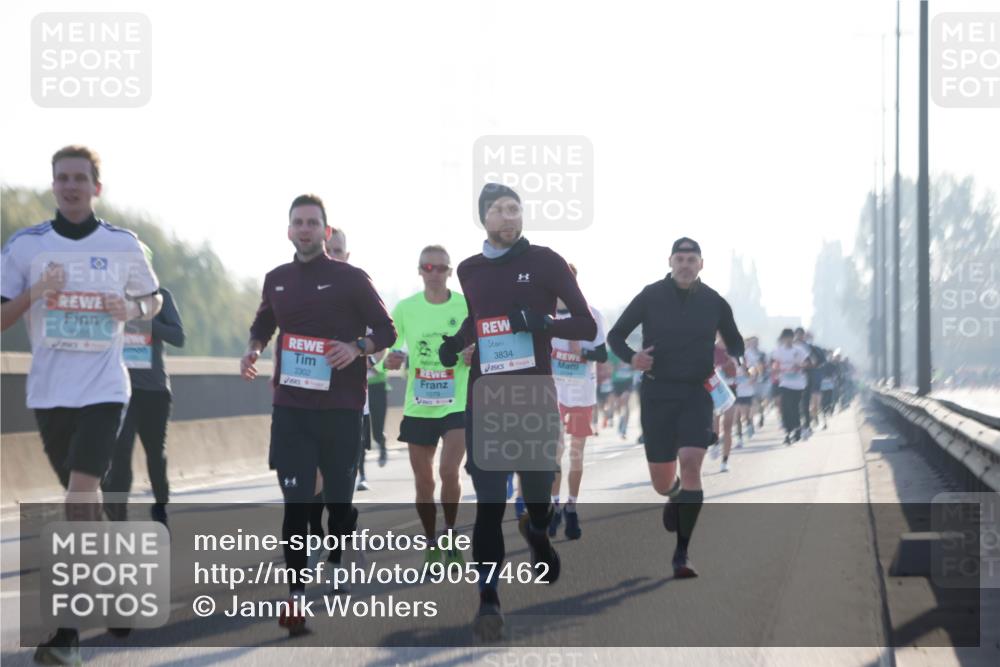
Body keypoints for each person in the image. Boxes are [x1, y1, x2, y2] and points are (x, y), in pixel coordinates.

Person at [1, 145, 162, 665]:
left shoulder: (121, 244)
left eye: (80, 178)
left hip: (104, 389)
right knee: (83, 505)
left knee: (77, 497)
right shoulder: (26, 247)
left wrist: (131, 307)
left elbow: (156, 299)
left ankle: (65, 634)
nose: (70, 186)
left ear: (97, 187)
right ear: (53, 185)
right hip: (49, 394)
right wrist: (37, 292)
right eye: (61, 178)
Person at [438, 183, 596, 639]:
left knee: (537, 493)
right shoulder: (468, 270)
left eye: (515, 209)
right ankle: (489, 601)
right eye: (498, 210)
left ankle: (539, 531)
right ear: (483, 218)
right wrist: (457, 342)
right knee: (488, 504)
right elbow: (478, 318)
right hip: (486, 397)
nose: (509, 216)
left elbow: (584, 322)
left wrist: (545, 323)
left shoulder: (546, 261)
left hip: (533, 397)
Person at [240, 194, 395, 636]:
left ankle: (339, 556)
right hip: (291, 407)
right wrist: (253, 350)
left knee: (338, 502)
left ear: (326, 232)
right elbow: (263, 324)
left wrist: (357, 348)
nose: (305, 229)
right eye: (298, 223)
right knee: (296, 501)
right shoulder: (277, 279)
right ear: (289, 230)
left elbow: (387, 330)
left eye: (313, 223)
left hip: (342, 408)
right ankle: (296, 597)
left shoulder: (350, 279)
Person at [607, 237, 744, 579]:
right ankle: (674, 494)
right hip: (657, 393)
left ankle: (682, 554)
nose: (685, 264)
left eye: (691, 259)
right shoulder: (651, 295)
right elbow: (616, 336)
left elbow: (737, 341)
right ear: (670, 262)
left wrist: (729, 355)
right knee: (661, 480)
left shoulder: (715, 302)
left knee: (692, 463)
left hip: (697, 393)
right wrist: (633, 358)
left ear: (701, 264)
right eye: (680, 259)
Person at [384, 245, 472, 566]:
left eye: (440, 268)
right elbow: (386, 351)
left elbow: (485, 344)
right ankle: (431, 541)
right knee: (425, 483)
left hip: (456, 402)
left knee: (449, 471)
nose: (434, 273)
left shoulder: (466, 306)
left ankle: (450, 534)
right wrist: (389, 361)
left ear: (450, 271)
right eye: (427, 268)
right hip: (419, 405)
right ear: (419, 271)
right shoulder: (406, 308)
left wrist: (472, 354)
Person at [103, 279, 185, 526]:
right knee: (120, 455)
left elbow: (178, 337)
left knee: (155, 455)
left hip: (154, 391)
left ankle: (160, 507)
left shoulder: (161, 296)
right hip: (120, 391)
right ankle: (118, 518)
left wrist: (143, 320)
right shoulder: (111, 297)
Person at [548, 263, 607, 540]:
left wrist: (582, 351)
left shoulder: (592, 315)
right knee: (555, 452)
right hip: (553, 394)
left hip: (582, 394)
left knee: (576, 453)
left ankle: (571, 505)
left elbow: (603, 354)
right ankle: (555, 506)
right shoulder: (544, 315)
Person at [771, 328, 810, 444]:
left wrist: (800, 365)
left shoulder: (800, 350)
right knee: (785, 407)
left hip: (798, 384)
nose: (788, 340)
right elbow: (774, 363)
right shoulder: (778, 351)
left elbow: (808, 362)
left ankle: (797, 428)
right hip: (784, 383)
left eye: (790, 338)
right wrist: (776, 368)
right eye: (786, 338)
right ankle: (788, 432)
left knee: (794, 407)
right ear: (783, 339)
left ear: (793, 338)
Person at [710, 336, 738, 473]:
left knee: (728, 426)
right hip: (715, 391)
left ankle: (725, 461)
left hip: (730, 391)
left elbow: (743, 369)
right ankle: (715, 443)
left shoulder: (734, 351)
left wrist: (734, 365)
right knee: (715, 424)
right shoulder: (709, 349)